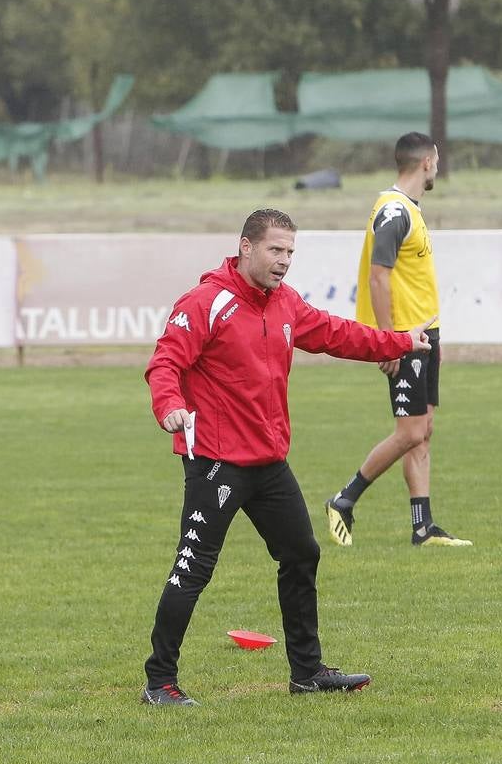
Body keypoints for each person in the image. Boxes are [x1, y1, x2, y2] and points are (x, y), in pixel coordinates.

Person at [139, 208, 435, 705]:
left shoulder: (286, 303)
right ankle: (159, 682)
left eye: (291, 252)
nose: (284, 261)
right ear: (246, 247)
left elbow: (338, 333)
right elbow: (165, 362)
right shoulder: (205, 302)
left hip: (268, 464)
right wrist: (170, 407)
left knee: (301, 554)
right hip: (216, 462)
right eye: (276, 250)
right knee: (193, 568)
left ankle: (307, 673)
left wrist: (399, 341)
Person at [324, 132, 471, 548]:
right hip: (406, 339)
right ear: (428, 161)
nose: (437, 168)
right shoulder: (393, 211)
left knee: (423, 430)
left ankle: (422, 528)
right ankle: (343, 499)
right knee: (409, 432)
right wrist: (390, 340)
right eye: (437, 162)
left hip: (423, 336)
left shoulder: (409, 209)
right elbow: (378, 275)